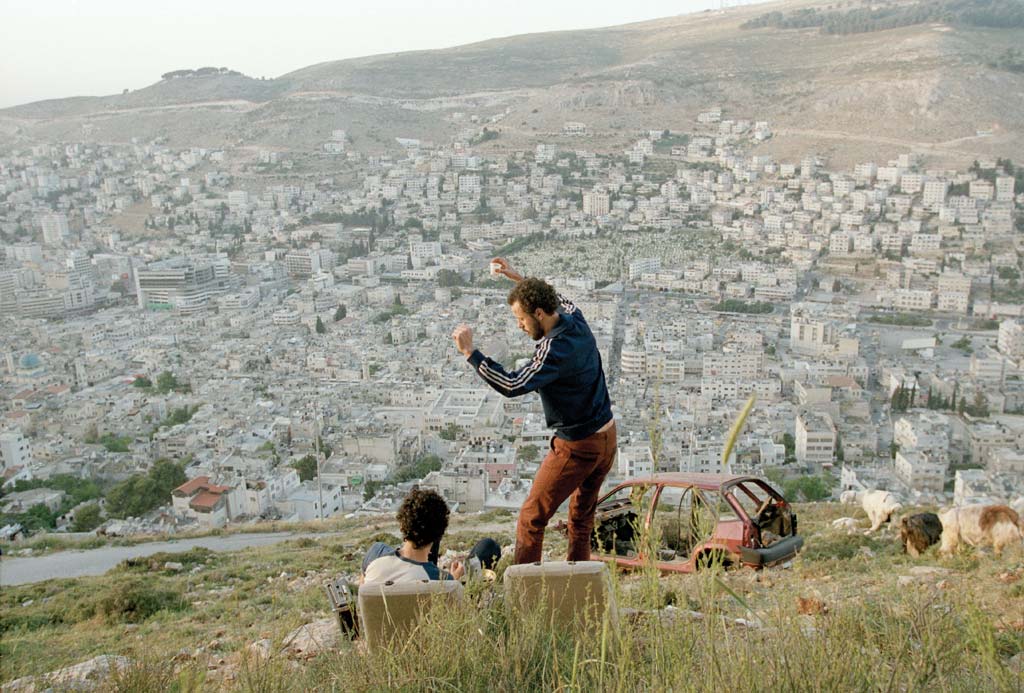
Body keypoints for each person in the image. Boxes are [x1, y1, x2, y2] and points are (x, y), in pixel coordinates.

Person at [452, 258, 616, 564]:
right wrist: (519, 280)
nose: (520, 325)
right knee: (581, 519)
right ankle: (579, 578)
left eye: (522, 318)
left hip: (579, 444)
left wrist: (471, 353)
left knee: (531, 517)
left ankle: (524, 586)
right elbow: (554, 296)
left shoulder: (554, 350)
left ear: (539, 313)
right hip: (607, 436)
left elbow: (512, 384)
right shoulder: (574, 317)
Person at [361, 488, 501, 583]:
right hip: (426, 579)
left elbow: (363, 588)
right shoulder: (441, 582)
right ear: (440, 534)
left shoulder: (374, 559)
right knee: (489, 546)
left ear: (402, 525)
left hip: (376, 618)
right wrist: (453, 578)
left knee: (380, 548)